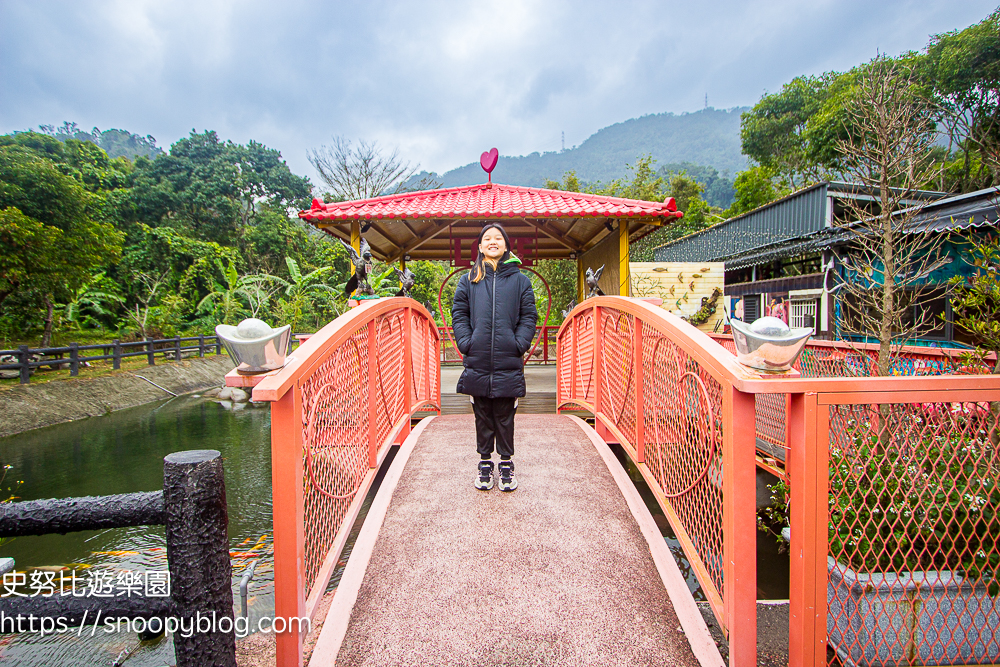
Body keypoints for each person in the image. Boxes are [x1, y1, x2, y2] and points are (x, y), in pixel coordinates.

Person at [451, 224, 537, 492]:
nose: (492, 242)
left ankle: (507, 464)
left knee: (505, 414)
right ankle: (485, 463)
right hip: (477, 360)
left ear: (506, 245)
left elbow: (528, 316)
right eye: (487, 238)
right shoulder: (468, 280)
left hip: (507, 360)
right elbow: (459, 313)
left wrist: (519, 343)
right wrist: (467, 341)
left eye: (498, 238)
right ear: (479, 246)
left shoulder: (521, 281)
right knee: (482, 415)